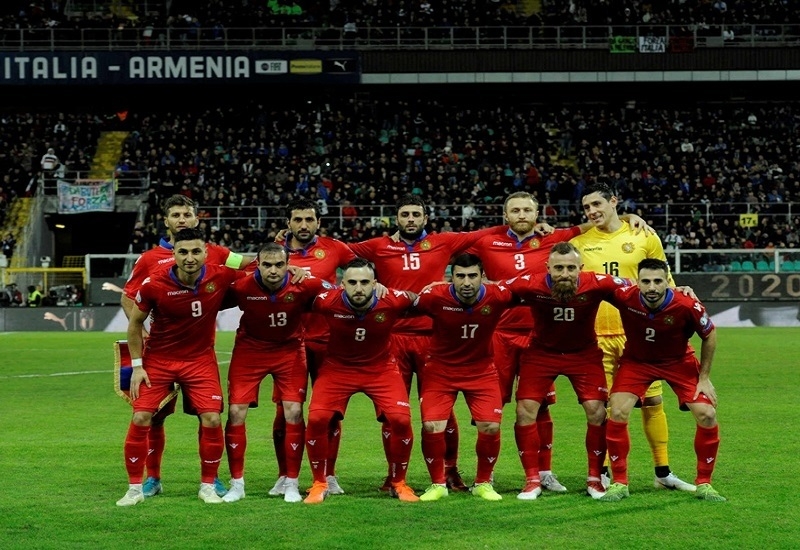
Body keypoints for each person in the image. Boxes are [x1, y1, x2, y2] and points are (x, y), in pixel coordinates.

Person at [467, 191, 650, 494]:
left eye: (527, 210)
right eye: (515, 210)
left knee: (562, 409)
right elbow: (480, 281)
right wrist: (445, 290)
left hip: (558, 345)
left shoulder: (560, 245)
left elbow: (634, 290)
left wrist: (628, 217)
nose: (522, 215)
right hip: (508, 339)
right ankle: (488, 475)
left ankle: (557, 475)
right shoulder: (489, 244)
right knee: (494, 410)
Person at [348, 194, 501, 491]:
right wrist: (288, 241)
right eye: (405, 214)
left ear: (425, 218)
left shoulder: (442, 242)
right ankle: (394, 475)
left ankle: (450, 471)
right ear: (396, 218)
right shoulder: (379, 246)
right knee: (392, 413)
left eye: (415, 214)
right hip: (393, 338)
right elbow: (337, 252)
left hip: (434, 339)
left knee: (444, 413)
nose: (410, 219)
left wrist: (534, 227)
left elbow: (485, 233)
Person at [120, 194, 255, 499]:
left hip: (199, 356)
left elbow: (251, 265)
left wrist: (284, 256)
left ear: (196, 219)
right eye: (176, 215)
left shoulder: (218, 254)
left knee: (208, 416)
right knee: (153, 417)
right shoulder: (149, 260)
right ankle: (152, 478)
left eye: (187, 214)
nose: (182, 219)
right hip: (160, 353)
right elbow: (129, 297)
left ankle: (211, 480)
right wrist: (145, 332)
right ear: (166, 221)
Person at [570, 183, 694, 491]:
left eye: (597, 204)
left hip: (638, 335)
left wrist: (679, 297)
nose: (591, 211)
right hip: (596, 337)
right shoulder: (578, 243)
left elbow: (665, 279)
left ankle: (663, 472)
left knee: (653, 402)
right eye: (586, 207)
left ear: (613, 201)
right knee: (606, 408)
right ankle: (604, 473)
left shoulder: (644, 236)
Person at [504, 242, 630, 500]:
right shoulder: (530, 284)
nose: (564, 273)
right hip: (541, 354)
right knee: (524, 411)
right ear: (548, 268)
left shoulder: (597, 283)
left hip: (583, 355)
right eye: (558, 268)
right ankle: (532, 481)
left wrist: (679, 290)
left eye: (571, 268)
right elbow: (493, 291)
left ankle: (595, 479)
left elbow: (638, 289)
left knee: (597, 412)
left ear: (580, 268)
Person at [599, 259, 724, 502]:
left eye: (658, 281)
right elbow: (595, 287)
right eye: (646, 281)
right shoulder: (625, 296)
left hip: (678, 362)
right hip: (637, 362)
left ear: (668, 281)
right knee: (618, 411)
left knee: (707, 414)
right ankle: (620, 483)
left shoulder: (687, 304)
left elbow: (709, 335)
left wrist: (704, 378)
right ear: (637, 282)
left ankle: (704, 483)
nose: (652, 287)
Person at [222, 242, 333, 504]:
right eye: (267, 265)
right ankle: (237, 484)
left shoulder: (304, 284)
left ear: (288, 265)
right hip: (250, 351)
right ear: (257, 265)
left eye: (279, 265)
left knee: (293, 412)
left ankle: (291, 483)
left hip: (289, 351)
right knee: (236, 412)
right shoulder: (241, 286)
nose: (273, 270)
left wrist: (377, 289)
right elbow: (206, 302)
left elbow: (340, 294)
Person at [303, 258, 419, 504]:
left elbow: (415, 298)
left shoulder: (391, 299)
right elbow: (300, 300)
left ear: (375, 284)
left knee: (400, 419)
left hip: (381, 369)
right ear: (342, 284)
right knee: (317, 419)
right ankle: (319, 483)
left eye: (365, 282)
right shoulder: (327, 301)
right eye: (352, 282)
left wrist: (437, 286)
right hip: (337, 369)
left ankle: (398, 482)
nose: (359, 288)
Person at [269, 198, 356, 498]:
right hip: (287, 342)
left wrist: (321, 284)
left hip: (328, 340)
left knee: (330, 412)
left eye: (309, 219)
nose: (303, 225)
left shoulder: (336, 249)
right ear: (288, 223)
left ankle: (329, 474)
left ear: (318, 222)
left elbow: (363, 272)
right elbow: (247, 273)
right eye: (298, 219)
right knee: (285, 411)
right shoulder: (275, 253)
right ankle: (284, 475)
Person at [413, 254, 512, 502]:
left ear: (483, 277)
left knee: (490, 426)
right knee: (432, 426)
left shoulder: (498, 295)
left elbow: (530, 290)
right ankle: (437, 484)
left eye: (472, 276)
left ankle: (483, 483)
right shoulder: (435, 297)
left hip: (481, 370)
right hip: (440, 370)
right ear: (451, 277)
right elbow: (401, 305)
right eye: (460, 276)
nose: (466, 282)